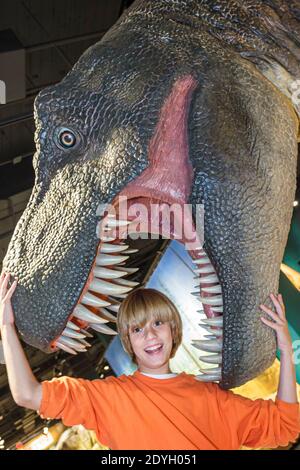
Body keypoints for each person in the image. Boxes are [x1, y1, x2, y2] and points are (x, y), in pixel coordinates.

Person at [0, 271, 299, 450]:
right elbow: (28, 394)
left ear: (173, 329)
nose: (150, 336)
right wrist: (6, 328)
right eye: (138, 329)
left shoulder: (211, 398)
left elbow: (286, 423)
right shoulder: (109, 397)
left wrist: (285, 352)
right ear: (129, 341)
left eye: (158, 323)